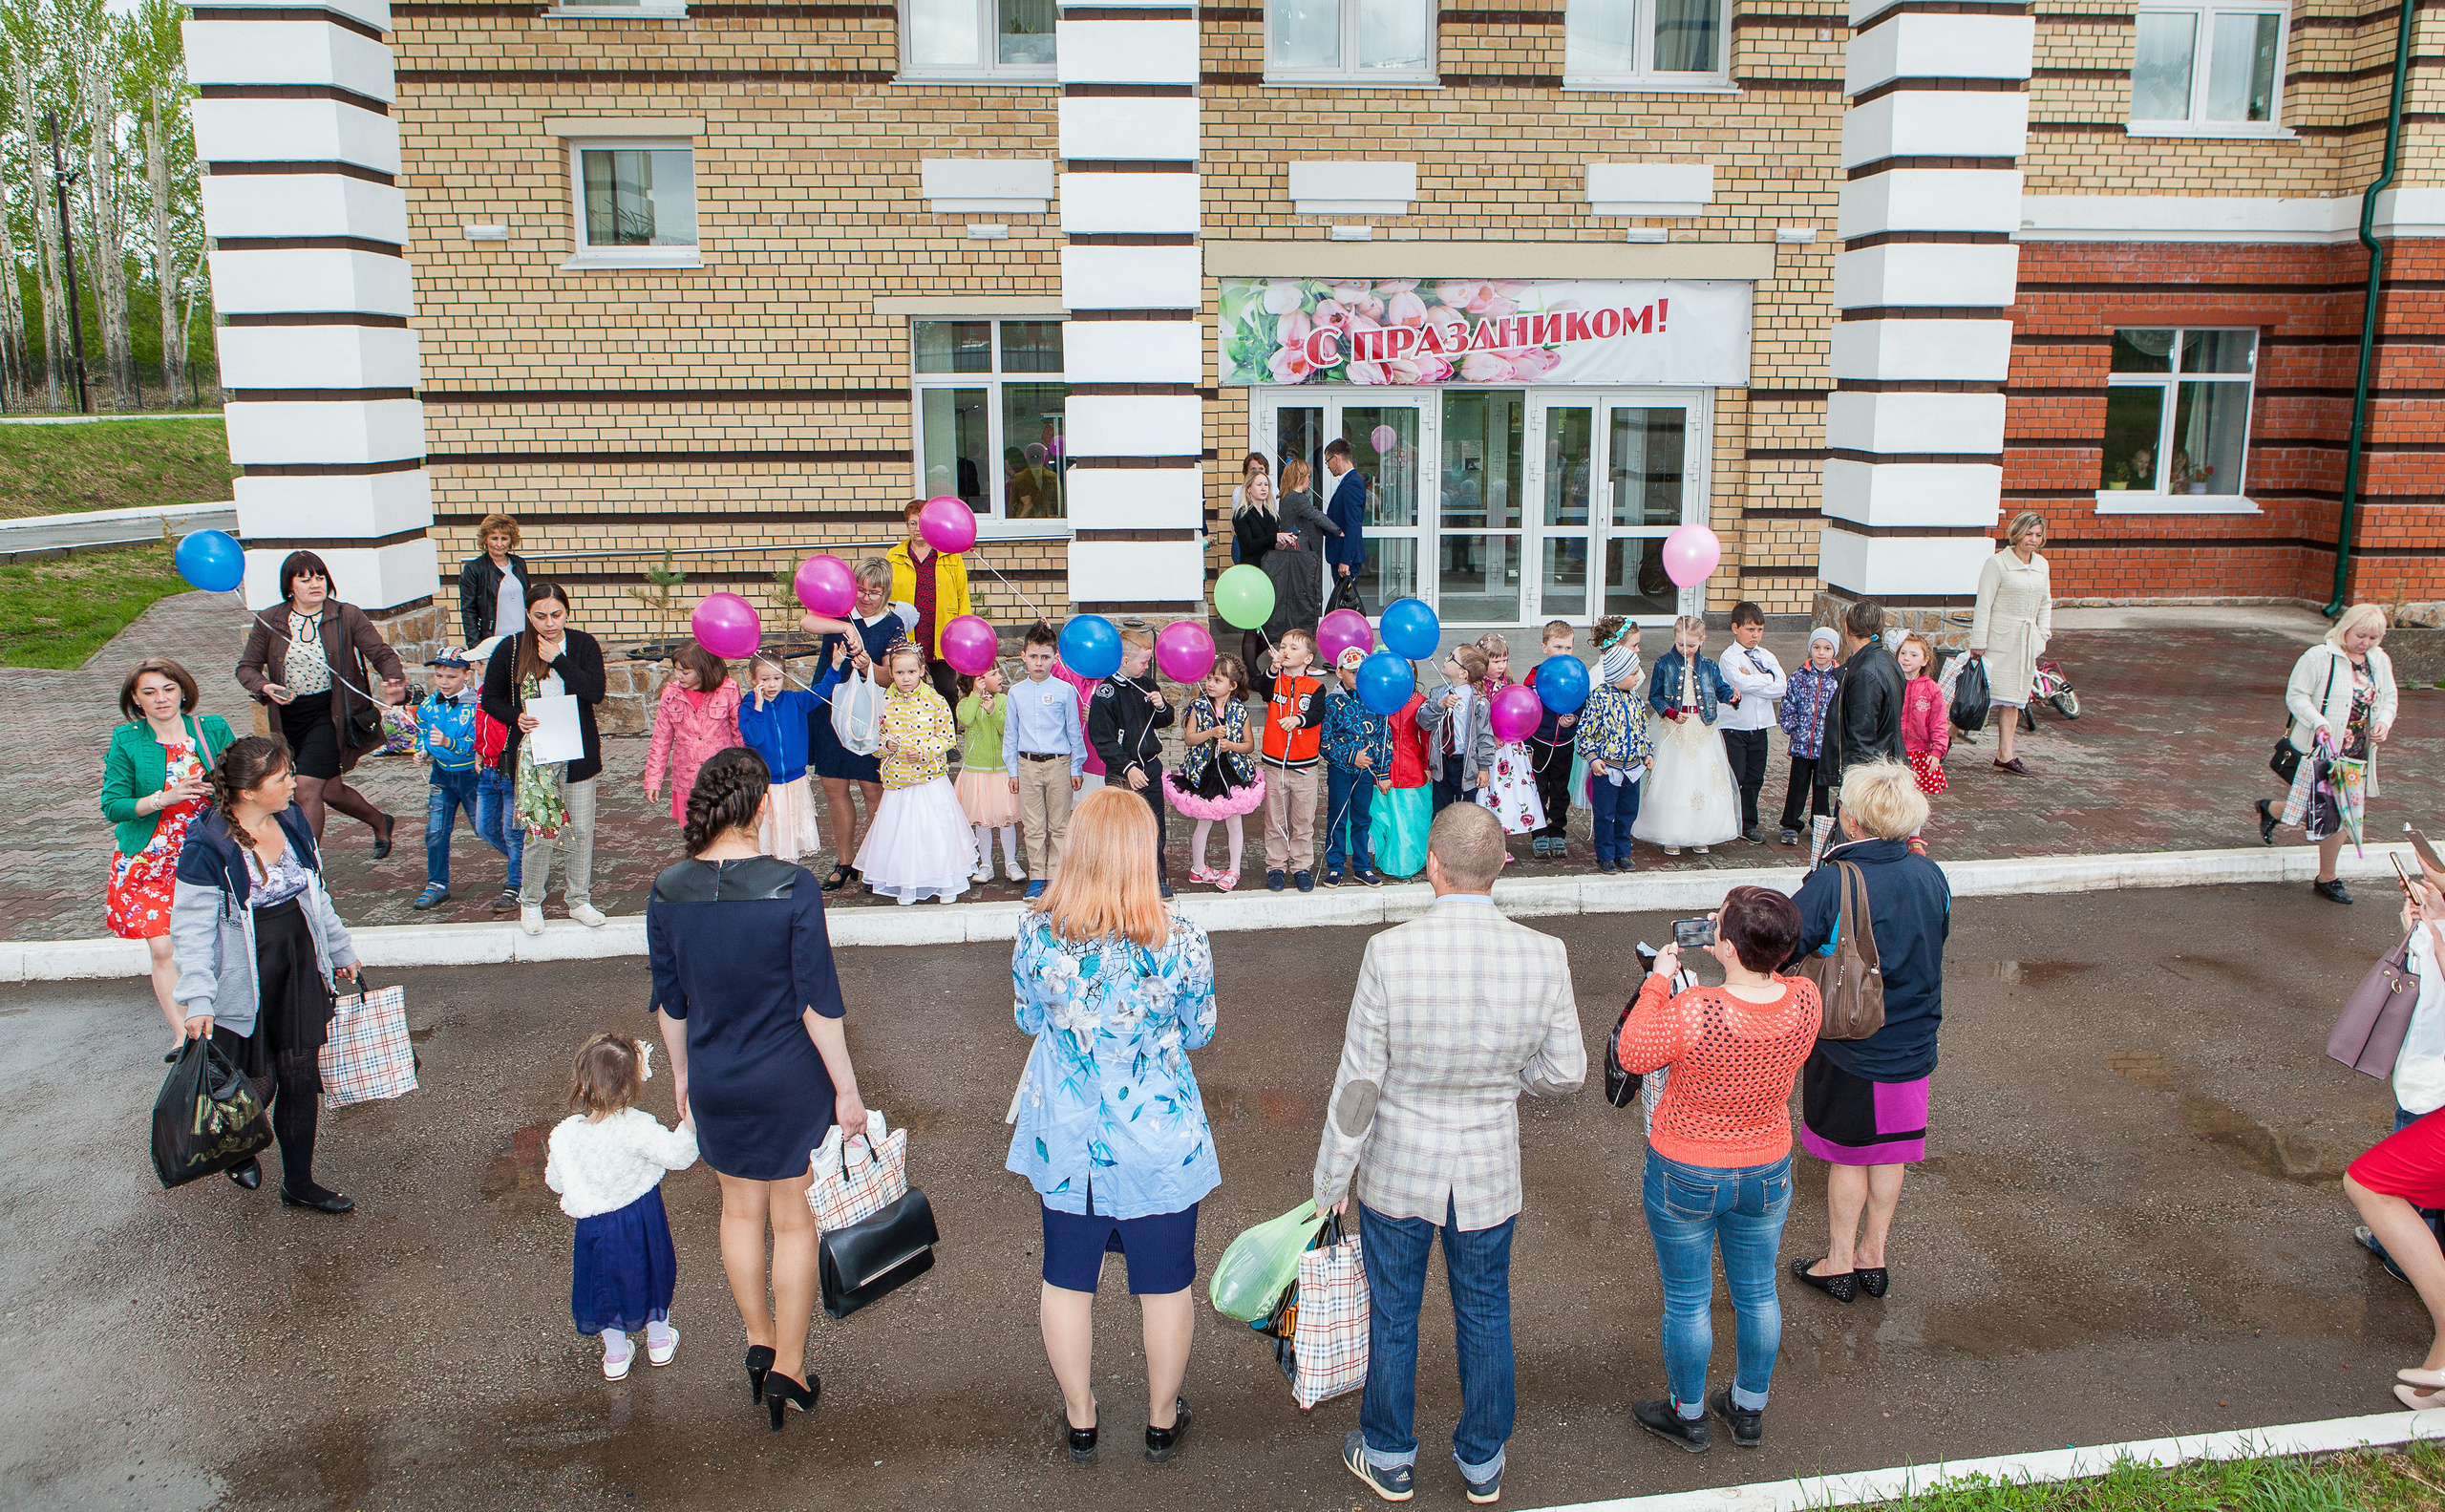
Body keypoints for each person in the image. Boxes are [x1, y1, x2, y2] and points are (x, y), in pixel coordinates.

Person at [1311, 803, 1585, 1505]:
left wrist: (1332, 1177)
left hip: (1400, 1166)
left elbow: (1360, 1083)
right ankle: (1482, 1459)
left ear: (1432, 865)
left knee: (1394, 1312)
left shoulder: (1390, 952)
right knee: (1486, 1307)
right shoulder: (1544, 953)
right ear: (1500, 867)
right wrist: (1509, 1078)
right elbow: (1567, 1071)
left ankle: (1388, 1452)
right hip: (1489, 1166)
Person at [649, 748, 868, 1430]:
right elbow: (817, 1002)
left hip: (717, 1076)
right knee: (793, 1220)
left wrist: (684, 1075)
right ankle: (790, 1368)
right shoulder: (792, 887)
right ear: (760, 805)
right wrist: (848, 1089)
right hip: (788, 1079)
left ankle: (758, 1343)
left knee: (737, 1213)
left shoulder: (667, 888)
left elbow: (670, 999)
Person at [1006, 787, 1218, 1465]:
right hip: (1157, 1135)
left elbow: (1027, 1019)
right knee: (1165, 1279)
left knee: (1067, 1276)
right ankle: (1160, 1419)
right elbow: (1200, 1029)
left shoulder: (1038, 933)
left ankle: (1082, 1417)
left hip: (1068, 1134)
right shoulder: (1180, 936)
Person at [1616, 886, 1821, 1453]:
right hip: (1766, 1167)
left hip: (1685, 1167)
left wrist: (1659, 979)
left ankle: (1688, 1415)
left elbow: (1631, 1052)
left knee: (1687, 1300)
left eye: (1719, 923)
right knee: (1757, 1295)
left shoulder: (1695, 1010)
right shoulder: (1805, 999)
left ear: (1726, 946)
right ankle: (1748, 1408)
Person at [168, 735, 364, 1213]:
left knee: (299, 1075)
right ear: (249, 791)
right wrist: (197, 999)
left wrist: (340, 949)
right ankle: (241, 1146)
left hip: (297, 960)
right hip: (245, 974)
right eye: (283, 778)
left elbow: (317, 895)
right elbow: (191, 930)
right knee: (260, 1080)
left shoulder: (293, 820)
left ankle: (299, 1182)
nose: (294, 783)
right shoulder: (208, 844)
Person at [1786, 758, 1950, 1306]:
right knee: (1891, 1153)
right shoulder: (1931, 874)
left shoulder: (1835, 879)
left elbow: (1787, 941)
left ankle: (1837, 1262)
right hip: (1913, 1040)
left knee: (1849, 1156)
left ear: (1853, 822)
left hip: (1850, 1044)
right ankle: (1873, 1258)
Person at [544, 1032, 698, 1380]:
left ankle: (615, 1354)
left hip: (594, 1227)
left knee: (603, 1283)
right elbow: (678, 1156)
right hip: (640, 1218)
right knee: (651, 1273)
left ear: (581, 1087)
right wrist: (690, 1124)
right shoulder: (637, 1127)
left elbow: (555, 1181)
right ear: (630, 1088)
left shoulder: (566, 1136)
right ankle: (659, 1342)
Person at [235, 549, 405, 850]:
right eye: (304, 579)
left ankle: (307, 867)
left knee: (306, 789)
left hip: (331, 714)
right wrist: (265, 686)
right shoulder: (270, 619)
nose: (315, 584)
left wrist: (393, 678)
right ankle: (380, 821)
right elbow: (246, 667)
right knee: (332, 790)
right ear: (290, 586)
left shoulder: (345, 614)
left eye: (320, 576)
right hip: (288, 718)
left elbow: (380, 652)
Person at [101, 658, 238, 1035]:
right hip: (150, 860)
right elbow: (113, 805)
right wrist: (165, 797)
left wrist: (223, 791)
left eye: (168, 689)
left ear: (183, 691)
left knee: (215, 944)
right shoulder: (126, 739)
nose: (161, 698)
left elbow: (242, 781)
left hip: (206, 852)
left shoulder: (211, 729)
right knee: (164, 950)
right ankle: (184, 1036)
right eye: (149, 692)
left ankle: (220, 1021)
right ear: (136, 699)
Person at [481, 581, 609, 936]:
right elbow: (489, 698)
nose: (550, 623)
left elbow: (594, 692)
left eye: (556, 615)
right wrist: (515, 717)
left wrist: (560, 660)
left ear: (567, 613)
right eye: (540, 616)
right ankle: (531, 900)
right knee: (542, 833)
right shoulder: (510, 649)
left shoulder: (582, 645)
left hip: (578, 752)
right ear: (528, 615)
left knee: (581, 830)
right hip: (534, 753)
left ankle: (579, 899)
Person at [2260, 603, 2399, 905]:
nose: (2367, 643)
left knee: (2336, 809)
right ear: (2345, 628)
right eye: (2361, 635)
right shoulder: (2319, 657)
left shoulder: (2378, 660)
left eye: (2374, 637)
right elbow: (2296, 695)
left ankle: (2272, 811)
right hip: (2321, 746)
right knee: (2337, 811)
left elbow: (2388, 699)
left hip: (2357, 750)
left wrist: (2384, 723)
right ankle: (2327, 878)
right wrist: (2318, 721)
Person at [800, 558, 906, 890]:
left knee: (873, 789)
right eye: (860, 589)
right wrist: (846, 627)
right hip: (829, 708)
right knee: (834, 786)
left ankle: (875, 861)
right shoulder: (839, 611)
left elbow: (894, 674)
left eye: (874, 592)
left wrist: (867, 666)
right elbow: (806, 620)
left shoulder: (894, 624)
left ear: (885, 592)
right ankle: (845, 861)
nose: (865, 597)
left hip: (867, 715)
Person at [855, 642, 973, 905]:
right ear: (892, 674)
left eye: (911, 672)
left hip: (930, 780)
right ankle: (907, 884)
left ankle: (945, 882)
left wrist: (924, 750)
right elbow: (876, 739)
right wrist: (885, 746)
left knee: (935, 831)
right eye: (899, 673)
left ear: (921, 670)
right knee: (904, 835)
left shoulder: (935, 701)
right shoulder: (885, 700)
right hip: (899, 782)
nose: (905, 678)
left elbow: (947, 738)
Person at [1635, 616, 1740, 858]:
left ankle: (1700, 833)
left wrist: (1732, 696)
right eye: (1681, 644)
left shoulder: (1710, 667)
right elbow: (1656, 696)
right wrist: (1670, 712)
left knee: (1703, 778)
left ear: (1702, 641)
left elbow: (1720, 690)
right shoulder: (1664, 664)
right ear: (1675, 639)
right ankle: (1671, 832)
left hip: (1702, 728)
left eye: (1691, 645)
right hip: (1675, 728)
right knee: (1675, 778)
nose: (1685, 649)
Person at [1088, 628, 1177, 899]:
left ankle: (1157, 877)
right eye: (1143, 661)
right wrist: (1127, 767)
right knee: (1121, 829)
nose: (1147, 666)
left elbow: (1164, 721)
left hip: (1150, 766)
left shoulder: (1147, 684)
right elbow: (1102, 739)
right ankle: (1119, 882)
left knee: (1155, 825)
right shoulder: (1106, 692)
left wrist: (1162, 706)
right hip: (1122, 772)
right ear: (1124, 661)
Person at [735, 647, 843, 865]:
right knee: (769, 833)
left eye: (777, 677)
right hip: (767, 783)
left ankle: (790, 874)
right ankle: (767, 874)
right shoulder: (747, 706)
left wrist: (835, 666)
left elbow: (821, 692)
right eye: (765, 679)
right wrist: (758, 706)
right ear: (753, 679)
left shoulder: (795, 701)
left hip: (794, 781)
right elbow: (753, 738)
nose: (772, 684)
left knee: (791, 831)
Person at [1006, 621, 1089, 900]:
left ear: (1055, 657)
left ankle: (1056, 876)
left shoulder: (1064, 691)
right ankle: (1037, 877)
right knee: (1033, 824)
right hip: (1027, 765)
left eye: (1045, 657)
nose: (1038, 663)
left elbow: (1073, 730)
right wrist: (1012, 770)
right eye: (1033, 656)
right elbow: (1011, 734)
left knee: (1060, 824)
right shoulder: (1015, 692)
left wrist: (1076, 765)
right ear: (1023, 656)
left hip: (1059, 764)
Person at [1167, 652, 1264, 891]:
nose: (1210, 683)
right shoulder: (1198, 708)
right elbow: (1189, 739)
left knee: (1234, 822)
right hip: (1204, 772)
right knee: (1204, 822)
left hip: (1232, 773)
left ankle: (1234, 870)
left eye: (1218, 680)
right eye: (1209, 678)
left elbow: (1249, 745)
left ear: (1232, 685)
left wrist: (1232, 745)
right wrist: (1210, 734)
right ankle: (1198, 870)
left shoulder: (1240, 711)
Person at [1967, 512, 2054, 775]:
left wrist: (2044, 634)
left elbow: (2046, 602)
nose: (2034, 539)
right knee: (1978, 696)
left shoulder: (2042, 565)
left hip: (2025, 643)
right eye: (2029, 534)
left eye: (2038, 535)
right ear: (2017, 534)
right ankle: (1944, 741)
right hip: (1998, 640)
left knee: (2014, 699)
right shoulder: (1997, 564)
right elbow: (1984, 605)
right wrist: (1978, 642)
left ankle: (2005, 755)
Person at [410, 650, 488, 912]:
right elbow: (423, 733)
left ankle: (521, 872)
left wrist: (448, 742)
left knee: (485, 828)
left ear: (466, 675)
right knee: (435, 831)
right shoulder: (428, 705)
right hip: (441, 775)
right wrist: (422, 750)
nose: (443, 681)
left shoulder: (476, 704)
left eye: (451, 676)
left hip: (470, 776)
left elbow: (477, 743)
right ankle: (437, 884)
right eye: (439, 675)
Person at [1575, 625, 1653, 875]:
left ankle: (1623, 851)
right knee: (1605, 813)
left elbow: (1642, 730)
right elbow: (1585, 732)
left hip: (1633, 769)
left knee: (1627, 812)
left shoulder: (1635, 700)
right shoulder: (1599, 698)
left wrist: (1647, 752)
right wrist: (1592, 757)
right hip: (1607, 769)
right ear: (1618, 673)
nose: (1636, 677)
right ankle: (1605, 854)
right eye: (1632, 673)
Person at [1814, 598, 1905, 803]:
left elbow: (1862, 735)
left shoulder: (1866, 673)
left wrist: (1857, 788)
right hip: (1884, 765)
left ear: (1846, 628)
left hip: (1871, 775)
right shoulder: (1886, 660)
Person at [644, 641, 744, 827]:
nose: (678, 676)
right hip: (687, 778)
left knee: (724, 830)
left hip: (722, 777)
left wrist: (746, 771)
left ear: (703, 669)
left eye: (685, 672)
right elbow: (660, 740)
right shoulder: (671, 694)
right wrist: (653, 780)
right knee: (695, 833)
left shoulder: (728, 690)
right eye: (676, 670)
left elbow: (739, 733)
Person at [1259, 626, 1328, 893]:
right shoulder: (1273, 679)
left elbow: (1317, 714)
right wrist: (1272, 669)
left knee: (1302, 821)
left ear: (1308, 658)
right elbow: (1261, 689)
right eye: (1283, 646)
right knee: (1274, 818)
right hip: (1274, 764)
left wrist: (1299, 719)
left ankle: (1301, 866)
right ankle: (1275, 865)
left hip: (1304, 768)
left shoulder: (1316, 687)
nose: (1286, 651)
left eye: (1293, 647)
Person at [888, 498, 972, 710]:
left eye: (922, 523)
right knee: (911, 691)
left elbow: (962, 594)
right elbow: (886, 596)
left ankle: (949, 739)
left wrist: (964, 630)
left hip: (942, 632)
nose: (917, 529)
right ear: (906, 526)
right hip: (909, 633)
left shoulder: (950, 553)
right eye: (912, 523)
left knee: (947, 690)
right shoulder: (894, 556)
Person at [1321, 645, 1393, 887]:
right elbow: (1324, 743)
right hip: (1341, 772)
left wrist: (1383, 773)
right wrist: (1352, 757)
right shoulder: (1332, 703)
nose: (1357, 677)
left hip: (1366, 773)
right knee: (1337, 818)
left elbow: (1384, 738)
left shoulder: (1375, 700)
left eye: (1361, 672)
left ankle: (1362, 866)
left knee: (1362, 819)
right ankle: (1335, 865)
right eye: (1352, 672)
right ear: (1339, 672)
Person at [1261, 459, 1342, 674]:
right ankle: (1305, 660)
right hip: (1302, 561)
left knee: (1297, 605)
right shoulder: (1297, 499)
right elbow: (1318, 517)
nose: (1309, 480)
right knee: (1305, 605)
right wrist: (1339, 531)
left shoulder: (1288, 499)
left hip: (1296, 559)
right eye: (1306, 476)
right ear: (1300, 478)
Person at [1718, 602, 1788, 844]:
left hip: (1760, 727)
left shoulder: (1766, 656)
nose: (1755, 635)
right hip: (1735, 726)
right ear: (1736, 628)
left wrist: (1757, 679)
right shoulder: (1729, 657)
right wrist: (1766, 680)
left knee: (1755, 777)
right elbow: (1740, 684)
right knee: (1736, 775)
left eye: (1759, 630)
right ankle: (1730, 820)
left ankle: (1749, 823)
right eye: (1749, 629)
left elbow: (1781, 687)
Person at [1472, 634, 1545, 851]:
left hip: (1511, 749)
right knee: (1490, 793)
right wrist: (1490, 737)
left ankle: (1502, 842)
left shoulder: (1509, 683)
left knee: (1508, 794)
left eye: (1504, 660)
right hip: (1490, 750)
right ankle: (1488, 843)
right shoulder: (1477, 687)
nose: (1501, 666)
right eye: (1495, 661)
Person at [467, 642, 524, 914]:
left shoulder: (511, 696)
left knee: (513, 832)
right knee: (484, 828)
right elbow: (481, 725)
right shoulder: (481, 694)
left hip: (509, 769)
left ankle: (517, 883)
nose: (477, 669)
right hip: (488, 768)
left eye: (481, 664)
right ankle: (526, 864)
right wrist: (479, 751)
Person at [956, 662, 1025, 885]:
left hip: (1002, 771)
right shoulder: (966, 703)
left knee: (1006, 819)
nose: (1000, 676)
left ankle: (1011, 862)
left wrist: (993, 711)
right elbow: (965, 720)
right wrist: (976, 696)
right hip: (978, 772)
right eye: (994, 673)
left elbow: (1008, 730)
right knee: (982, 820)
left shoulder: (1004, 701)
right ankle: (985, 864)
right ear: (979, 680)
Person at [1776, 628, 1841, 850]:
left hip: (1826, 746)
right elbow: (1788, 705)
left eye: (1827, 648)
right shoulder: (1798, 677)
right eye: (1817, 647)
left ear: (1834, 651)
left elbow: (1844, 711)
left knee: (1822, 787)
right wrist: (1792, 728)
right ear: (1810, 649)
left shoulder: (1840, 680)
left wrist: (1837, 736)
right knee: (1797, 785)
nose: (1821, 653)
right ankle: (1790, 824)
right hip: (1802, 744)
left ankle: (1821, 823)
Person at [1523, 621, 1582, 861]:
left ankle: (1558, 831)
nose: (1564, 653)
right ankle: (1538, 834)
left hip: (1565, 744)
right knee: (1538, 790)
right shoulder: (1534, 677)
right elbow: (1525, 711)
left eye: (1568, 648)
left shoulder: (1575, 673)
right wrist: (1527, 745)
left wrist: (1574, 718)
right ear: (1544, 647)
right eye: (1558, 647)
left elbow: (1582, 702)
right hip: (1540, 742)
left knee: (1560, 790)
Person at [1369, 665, 1432, 881]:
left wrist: (1428, 766)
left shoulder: (1421, 702)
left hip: (1413, 767)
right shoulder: (1379, 700)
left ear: (1414, 673)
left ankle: (1407, 861)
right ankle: (1388, 858)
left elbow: (1427, 738)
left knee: (1410, 818)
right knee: (1387, 817)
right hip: (1384, 765)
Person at [1417, 645, 1494, 815]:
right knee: (1440, 812)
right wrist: (1440, 706)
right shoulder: (1438, 694)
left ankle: (1465, 842)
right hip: (1442, 765)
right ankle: (1441, 841)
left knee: (1466, 813)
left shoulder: (1479, 701)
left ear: (1463, 673)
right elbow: (1423, 721)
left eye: (1451, 657)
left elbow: (1485, 737)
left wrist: (1483, 768)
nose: (1446, 658)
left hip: (1466, 767)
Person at [1895, 634, 1948, 854]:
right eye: (1903, 653)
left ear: (1925, 660)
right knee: (1895, 793)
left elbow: (1939, 722)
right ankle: (1894, 832)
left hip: (1920, 752)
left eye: (1913, 654)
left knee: (1916, 796)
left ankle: (1914, 836)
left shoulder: (1931, 689)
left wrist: (1937, 750)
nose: (1907, 658)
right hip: (1896, 749)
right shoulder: (1892, 681)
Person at [457, 513, 529, 650]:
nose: (499, 544)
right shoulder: (474, 569)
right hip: (494, 639)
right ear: (485, 539)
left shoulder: (519, 564)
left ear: (511, 540)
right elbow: (468, 611)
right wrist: (475, 647)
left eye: (504, 538)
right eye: (494, 538)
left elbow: (529, 602)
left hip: (523, 637)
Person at [1322, 437, 1369, 601]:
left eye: (1327, 460)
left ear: (1337, 458)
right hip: (1341, 555)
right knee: (1343, 601)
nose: (1327, 466)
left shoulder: (1352, 484)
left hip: (1345, 557)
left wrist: (1345, 560)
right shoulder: (1349, 482)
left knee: (1347, 603)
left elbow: (1353, 524)